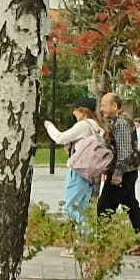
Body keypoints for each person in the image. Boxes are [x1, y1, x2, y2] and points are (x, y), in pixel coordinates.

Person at [44, 97, 104, 247]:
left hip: (78, 171)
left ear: (82, 111)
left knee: (70, 207)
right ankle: (87, 241)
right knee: (84, 208)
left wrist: (49, 126)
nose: (73, 113)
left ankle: (81, 242)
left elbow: (60, 137)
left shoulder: (83, 125)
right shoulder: (97, 126)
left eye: (75, 110)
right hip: (90, 172)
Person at [97, 92, 140, 255]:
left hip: (123, 173)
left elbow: (124, 151)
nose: (101, 108)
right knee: (131, 207)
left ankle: (103, 245)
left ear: (115, 106)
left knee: (104, 207)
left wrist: (117, 173)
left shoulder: (121, 123)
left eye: (104, 105)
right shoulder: (120, 121)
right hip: (126, 172)